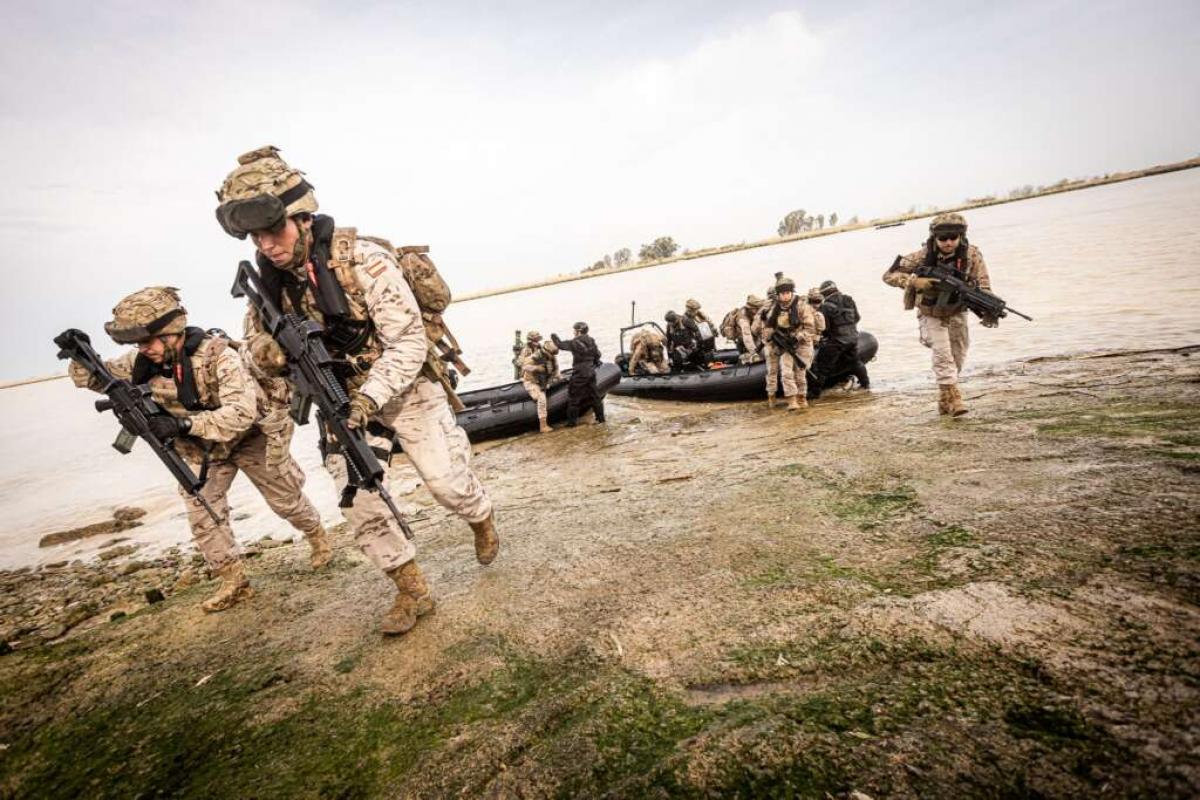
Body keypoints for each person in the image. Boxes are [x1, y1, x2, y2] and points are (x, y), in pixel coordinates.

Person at [215, 145, 496, 636]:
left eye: (274, 231)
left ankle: (480, 517)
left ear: (303, 219)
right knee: (358, 500)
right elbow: (251, 350)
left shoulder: (363, 260)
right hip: (337, 399)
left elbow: (407, 342)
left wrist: (371, 397)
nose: (267, 245)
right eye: (256, 237)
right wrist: (270, 353)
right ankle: (411, 589)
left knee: (446, 483)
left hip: (403, 386)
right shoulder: (268, 286)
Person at [67, 287, 331, 613]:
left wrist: (183, 425)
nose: (144, 349)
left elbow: (241, 413)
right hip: (204, 450)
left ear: (172, 334)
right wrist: (80, 355)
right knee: (202, 513)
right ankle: (234, 581)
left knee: (285, 500)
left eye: (149, 341)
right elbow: (97, 379)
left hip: (252, 437)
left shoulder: (219, 357)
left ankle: (317, 536)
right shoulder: (141, 362)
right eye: (138, 344)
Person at [882, 212, 992, 415]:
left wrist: (987, 305)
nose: (948, 242)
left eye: (953, 237)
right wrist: (914, 281)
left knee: (957, 355)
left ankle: (944, 398)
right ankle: (956, 399)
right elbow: (889, 275)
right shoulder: (922, 256)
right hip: (930, 312)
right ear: (935, 237)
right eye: (943, 238)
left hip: (957, 311)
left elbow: (983, 283)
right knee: (943, 354)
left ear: (961, 236)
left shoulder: (971, 254)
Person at [759, 275, 817, 410]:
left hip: (802, 343)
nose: (785, 296)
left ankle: (801, 397)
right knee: (786, 373)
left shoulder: (802, 306)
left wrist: (797, 337)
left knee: (800, 373)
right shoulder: (774, 308)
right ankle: (791, 400)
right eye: (782, 294)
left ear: (791, 292)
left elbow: (810, 328)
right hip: (784, 345)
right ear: (778, 295)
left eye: (787, 293)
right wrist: (770, 336)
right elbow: (768, 326)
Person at [814, 280, 870, 390]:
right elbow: (857, 318)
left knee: (823, 366)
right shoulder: (849, 300)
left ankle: (814, 393)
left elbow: (824, 327)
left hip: (836, 341)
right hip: (853, 338)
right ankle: (865, 384)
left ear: (824, 293)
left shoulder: (825, 306)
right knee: (855, 362)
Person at [551, 322, 604, 426]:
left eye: (574, 330)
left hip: (580, 373)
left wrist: (553, 336)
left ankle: (571, 423)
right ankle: (601, 419)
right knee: (595, 397)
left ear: (578, 331)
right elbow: (598, 354)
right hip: (591, 372)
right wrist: (595, 362)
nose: (573, 332)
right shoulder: (591, 340)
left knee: (574, 398)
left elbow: (560, 345)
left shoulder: (575, 342)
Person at [519, 331, 560, 433]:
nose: (537, 342)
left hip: (543, 380)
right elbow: (524, 365)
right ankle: (543, 426)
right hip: (531, 380)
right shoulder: (531, 353)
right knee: (541, 398)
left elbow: (556, 368)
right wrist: (537, 368)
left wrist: (555, 377)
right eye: (535, 339)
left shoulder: (548, 354)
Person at [722, 295, 766, 363]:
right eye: (757, 309)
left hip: (750, 339)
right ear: (752, 309)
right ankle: (744, 360)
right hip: (743, 342)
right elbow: (747, 336)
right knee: (751, 356)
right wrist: (754, 353)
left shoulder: (752, 314)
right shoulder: (743, 319)